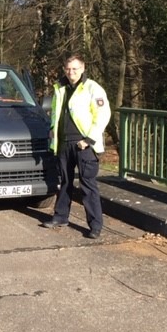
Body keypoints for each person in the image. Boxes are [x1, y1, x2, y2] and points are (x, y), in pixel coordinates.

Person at [42, 54, 111, 239]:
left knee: (88, 185)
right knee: (64, 182)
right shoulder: (60, 87)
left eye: (75, 69)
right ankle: (60, 216)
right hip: (64, 143)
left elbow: (103, 115)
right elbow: (56, 113)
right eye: (68, 69)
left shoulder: (92, 88)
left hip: (84, 144)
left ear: (83, 68)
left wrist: (89, 139)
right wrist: (52, 130)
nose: (71, 72)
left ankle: (95, 226)